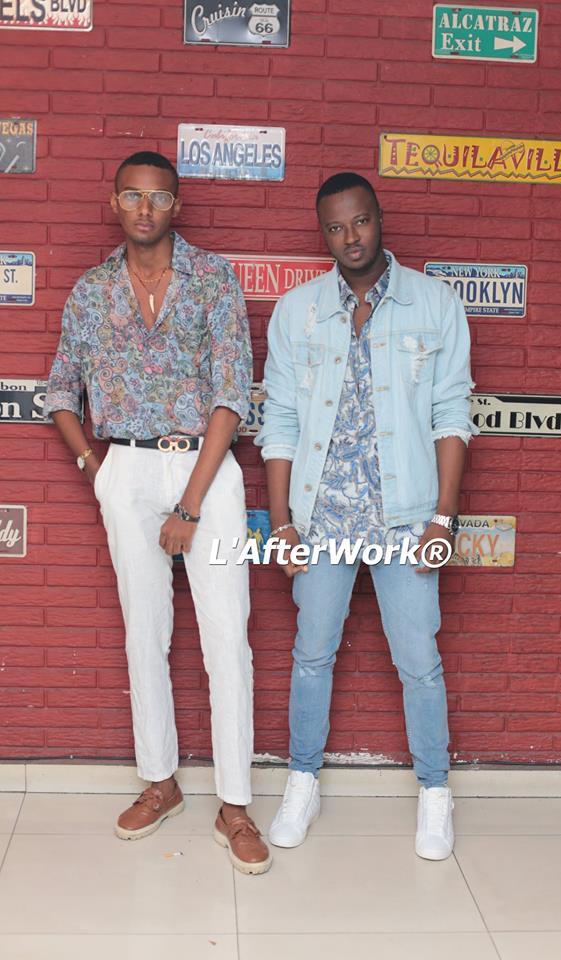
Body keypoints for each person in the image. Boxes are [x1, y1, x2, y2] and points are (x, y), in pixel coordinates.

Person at [44, 150, 271, 875]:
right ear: (115, 203)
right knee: (145, 632)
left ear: (177, 205)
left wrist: (190, 503)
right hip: (127, 468)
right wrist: (98, 470)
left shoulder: (213, 278)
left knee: (226, 637)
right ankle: (160, 782)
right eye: (132, 196)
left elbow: (232, 393)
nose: (145, 209)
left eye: (159, 197)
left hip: (207, 468)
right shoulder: (91, 291)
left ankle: (234, 804)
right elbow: (60, 390)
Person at [256, 171, 476, 861]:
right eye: (335, 227)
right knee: (311, 655)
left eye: (360, 221)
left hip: (405, 518)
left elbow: (452, 414)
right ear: (323, 233)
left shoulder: (434, 304)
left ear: (379, 219)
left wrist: (443, 520)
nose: (350, 237)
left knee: (419, 661)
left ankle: (435, 792)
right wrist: (283, 523)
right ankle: (302, 782)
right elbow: (280, 422)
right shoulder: (297, 311)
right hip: (322, 517)